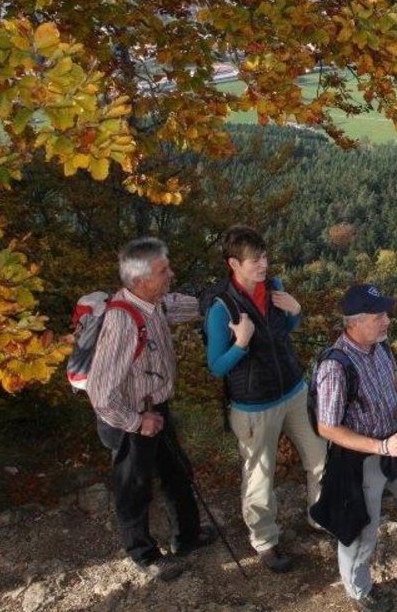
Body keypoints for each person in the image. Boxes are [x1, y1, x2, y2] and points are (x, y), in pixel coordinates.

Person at [310, 283, 397, 612]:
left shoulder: (380, 345)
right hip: (359, 458)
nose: (387, 320)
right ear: (354, 323)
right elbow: (327, 427)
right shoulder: (335, 366)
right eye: (379, 316)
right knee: (361, 530)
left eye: (386, 313)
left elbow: (393, 378)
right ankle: (359, 592)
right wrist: (382, 446)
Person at [88, 237, 213, 582]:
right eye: (163, 270)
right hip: (129, 417)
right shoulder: (121, 323)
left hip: (154, 406)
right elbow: (100, 393)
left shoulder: (152, 302)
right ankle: (143, 554)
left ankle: (187, 537)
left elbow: (173, 305)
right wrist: (136, 421)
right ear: (140, 281)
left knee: (176, 472)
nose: (171, 274)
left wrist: (210, 303)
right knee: (135, 485)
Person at [203, 225, 327, 573]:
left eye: (265, 257)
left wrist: (296, 311)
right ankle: (265, 542)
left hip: (293, 392)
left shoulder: (274, 289)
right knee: (260, 476)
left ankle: (320, 517)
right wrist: (240, 344)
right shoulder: (221, 309)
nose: (263, 265)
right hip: (254, 406)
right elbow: (216, 367)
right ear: (234, 264)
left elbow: (282, 333)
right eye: (255, 260)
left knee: (319, 456)